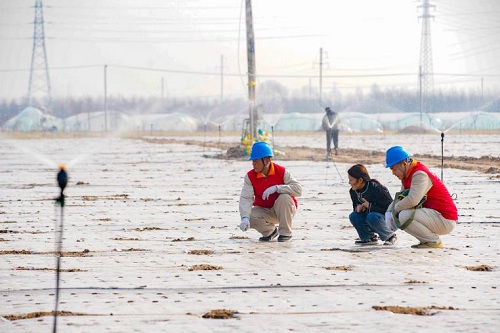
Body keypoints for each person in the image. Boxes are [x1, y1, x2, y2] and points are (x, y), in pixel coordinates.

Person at [385, 146, 458, 248]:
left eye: (394, 169)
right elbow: (401, 198)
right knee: (402, 214)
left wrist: (394, 211)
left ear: (403, 164)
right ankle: (427, 241)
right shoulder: (407, 175)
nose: (393, 173)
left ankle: (433, 242)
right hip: (433, 215)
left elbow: (412, 200)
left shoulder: (419, 174)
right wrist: (388, 212)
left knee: (404, 216)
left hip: (445, 218)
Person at [238, 141, 302, 242]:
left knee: (284, 197)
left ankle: (285, 233)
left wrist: (277, 188)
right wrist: (244, 217)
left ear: (267, 161)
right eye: (252, 161)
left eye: (256, 161)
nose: (253, 164)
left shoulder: (282, 172)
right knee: (248, 215)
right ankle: (270, 232)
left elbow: (298, 190)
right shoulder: (250, 177)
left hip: (284, 210)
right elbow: (246, 198)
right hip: (265, 211)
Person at [348, 164, 397, 246]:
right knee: (354, 216)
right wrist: (358, 209)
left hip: (389, 220)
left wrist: (370, 206)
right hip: (371, 219)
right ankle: (369, 238)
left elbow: (391, 209)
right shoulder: (353, 191)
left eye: (351, 180)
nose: (349, 183)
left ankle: (390, 236)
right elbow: (355, 207)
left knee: (372, 216)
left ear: (360, 180)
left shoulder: (376, 188)